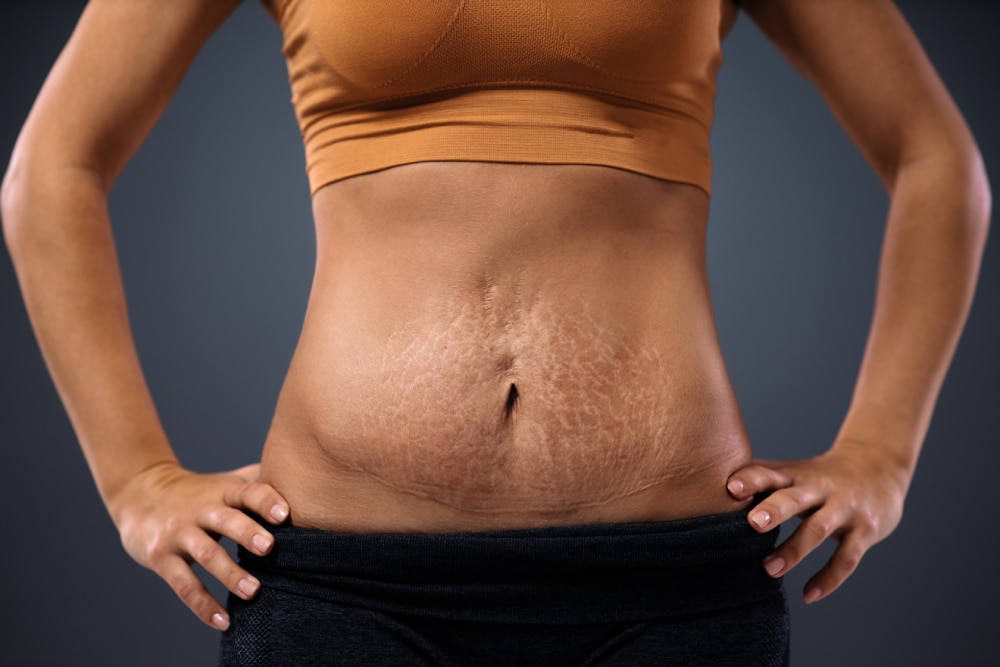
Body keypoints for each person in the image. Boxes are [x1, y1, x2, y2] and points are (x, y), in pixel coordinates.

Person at [1, 0, 989, 665]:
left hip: (667, 581)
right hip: (349, 584)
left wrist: (880, 453)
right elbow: (54, 168)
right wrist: (136, 480)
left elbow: (931, 154)